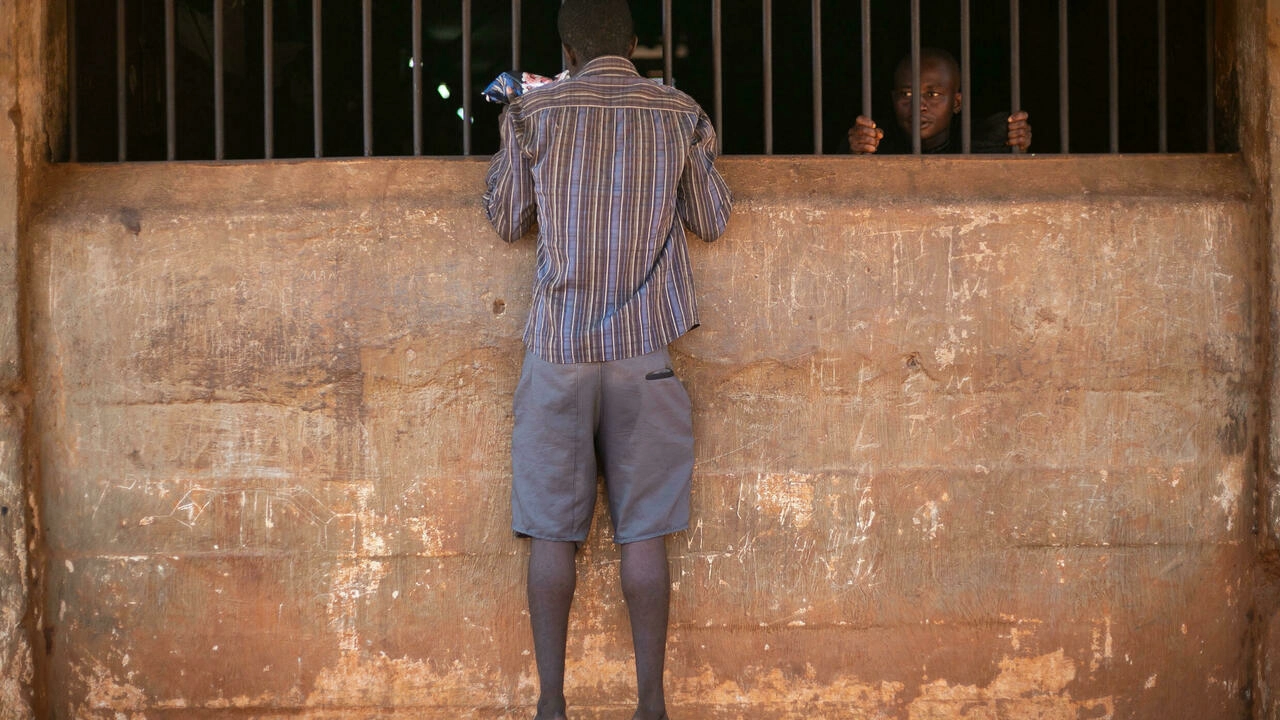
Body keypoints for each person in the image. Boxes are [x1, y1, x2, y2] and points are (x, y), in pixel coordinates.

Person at [482, 1, 732, 718]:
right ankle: (650, 705)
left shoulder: (535, 113)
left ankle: (552, 705)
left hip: (557, 350)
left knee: (551, 533)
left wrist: (517, 124)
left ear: (566, 48)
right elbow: (712, 220)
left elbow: (506, 220)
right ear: (633, 44)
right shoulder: (679, 112)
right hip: (644, 354)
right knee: (644, 532)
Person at [847, 47, 1032, 154]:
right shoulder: (876, 142)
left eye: (933, 94)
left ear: (957, 103)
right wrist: (854, 154)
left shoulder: (984, 140)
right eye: (906, 94)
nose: (919, 107)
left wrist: (1018, 147)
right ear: (893, 100)